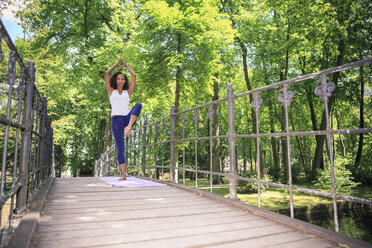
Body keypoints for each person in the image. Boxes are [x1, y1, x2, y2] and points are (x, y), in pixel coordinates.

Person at [105, 58, 142, 180]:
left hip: (127, 119)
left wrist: (126, 66)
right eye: (118, 78)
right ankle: (124, 174)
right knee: (120, 147)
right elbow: (106, 74)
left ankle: (129, 127)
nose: (121, 80)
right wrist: (115, 65)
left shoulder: (128, 92)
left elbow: (134, 75)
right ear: (115, 80)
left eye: (123, 79)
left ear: (125, 81)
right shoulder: (111, 91)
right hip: (116, 121)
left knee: (138, 105)